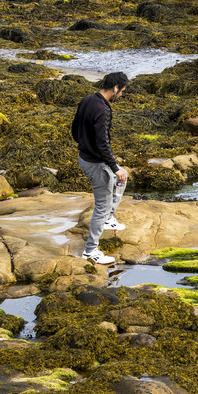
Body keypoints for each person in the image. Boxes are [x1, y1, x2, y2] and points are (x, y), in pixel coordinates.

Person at [72, 71, 131, 265]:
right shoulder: (103, 109)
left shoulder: (88, 99)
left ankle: (108, 218)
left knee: (124, 176)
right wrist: (114, 167)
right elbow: (102, 142)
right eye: (121, 91)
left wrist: (84, 145)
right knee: (101, 206)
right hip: (96, 164)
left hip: (85, 158)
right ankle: (90, 251)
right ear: (115, 88)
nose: (121, 95)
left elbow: (74, 128)